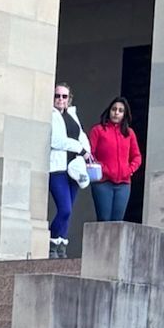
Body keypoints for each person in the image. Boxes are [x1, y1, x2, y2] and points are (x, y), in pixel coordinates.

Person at [48, 83, 92, 258]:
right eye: (57, 96)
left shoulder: (72, 115)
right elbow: (57, 140)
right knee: (64, 208)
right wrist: (80, 149)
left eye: (64, 96)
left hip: (74, 168)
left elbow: (83, 137)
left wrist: (86, 152)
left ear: (69, 99)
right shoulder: (51, 115)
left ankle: (61, 245)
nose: (60, 99)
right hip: (58, 168)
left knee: (69, 211)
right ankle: (52, 240)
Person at [88, 98, 142, 223]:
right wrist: (103, 168)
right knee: (104, 220)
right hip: (103, 182)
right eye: (114, 109)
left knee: (117, 222)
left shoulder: (129, 133)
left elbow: (137, 156)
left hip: (123, 184)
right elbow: (90, 155)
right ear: (109, 111)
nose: (116, 113)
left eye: (120, 110)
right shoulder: (98, 130)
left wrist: (129, 170)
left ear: (124, 115)